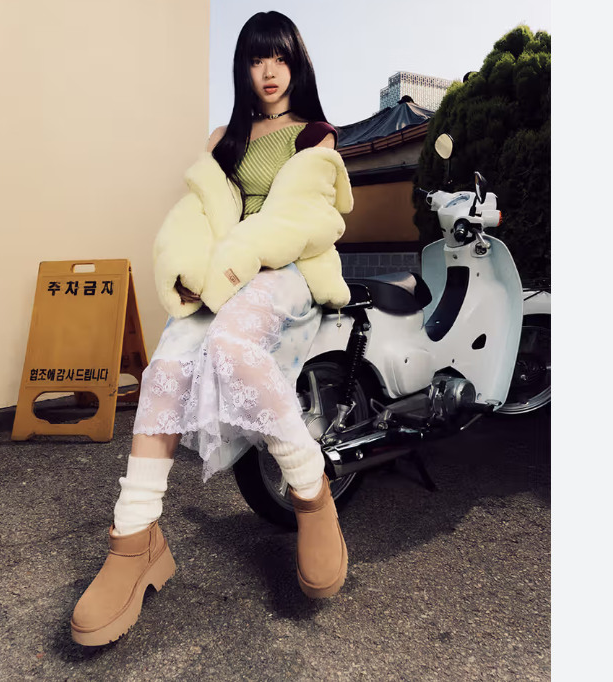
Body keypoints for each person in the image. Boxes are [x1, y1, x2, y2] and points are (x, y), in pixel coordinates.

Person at [70, 11, 354, 646]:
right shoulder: (225, 137)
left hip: (286, 267)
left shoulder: (315, 136)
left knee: (231, 344)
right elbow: (195, 213)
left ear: (297, 64)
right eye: (257, 59)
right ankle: (134, 538)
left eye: (280, 57)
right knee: (164, 369)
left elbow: (301, 219)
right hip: (224, 272)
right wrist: (189, 270)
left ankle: (311, 492)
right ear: (242, 68)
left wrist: (229, 267)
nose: (270, 71)